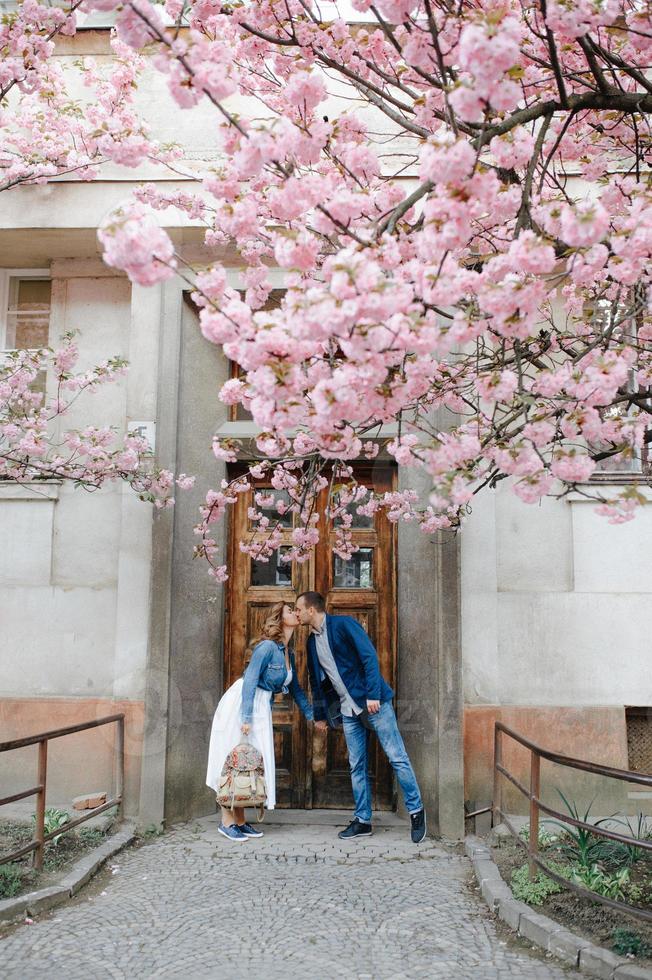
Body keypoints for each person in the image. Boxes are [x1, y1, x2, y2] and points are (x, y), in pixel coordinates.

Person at [295, 591, 426, 843]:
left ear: (311, 610)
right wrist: (320, 715)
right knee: (357, 765)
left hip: (374, 704)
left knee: (397, 757)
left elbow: (368, 656)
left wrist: (373, 694)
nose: (297, 613)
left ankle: (416, 812)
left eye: (298, 609)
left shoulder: (344, 625)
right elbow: (316, 680)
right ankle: (363, 820)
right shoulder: (311, 642)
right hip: (348, 711)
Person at [206, 600, 313, 842]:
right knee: (232, 760)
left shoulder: (288, 652)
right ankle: (226, 822)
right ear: (279, 618)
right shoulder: (266, 647)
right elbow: (251, 680)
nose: (296, 614)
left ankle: (241, 821)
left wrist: (310, 715)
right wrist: (245, 717)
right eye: (290, 611)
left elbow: (295, 688)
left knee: (249, 762)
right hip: (244, 703)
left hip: (261, 706)